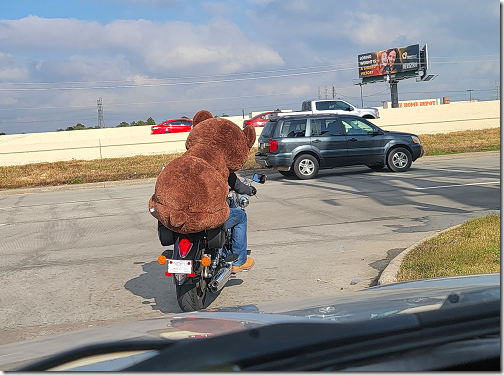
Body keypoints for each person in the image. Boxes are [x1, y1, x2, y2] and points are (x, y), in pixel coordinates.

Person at [226, 172, 257, 273]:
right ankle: (239, 261)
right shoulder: (220, 166)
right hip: (213, 215)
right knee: (241, 216)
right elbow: (238, 186)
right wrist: (250, 190)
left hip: (189, 217)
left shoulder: (188, 167)